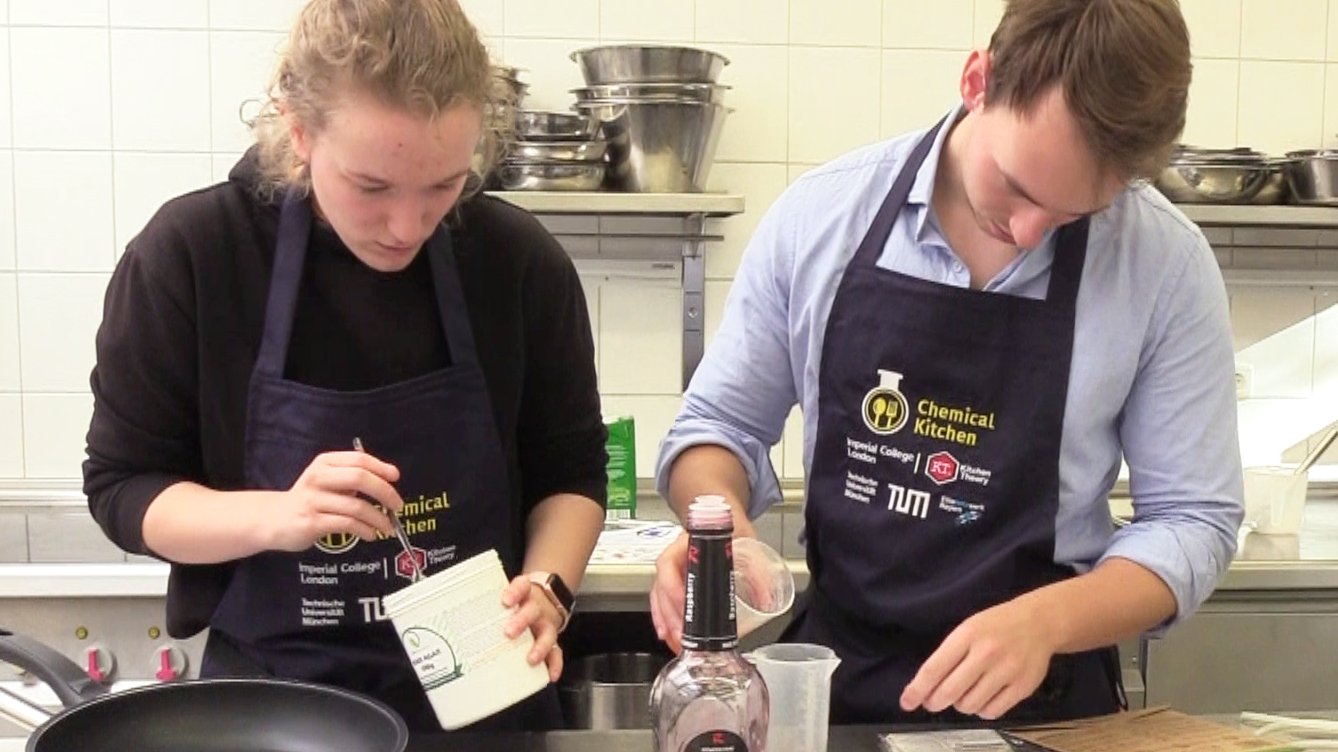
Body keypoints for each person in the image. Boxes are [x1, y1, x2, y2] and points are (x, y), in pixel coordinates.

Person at [650, 0, 1244, 726]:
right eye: (1017, 189)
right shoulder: (820, 217)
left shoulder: (1165, 265)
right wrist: (722, 526)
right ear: (977, 80)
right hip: (844, 696)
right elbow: (718, 425)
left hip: (1048, 713)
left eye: (1070, 215)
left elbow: (1193, 520)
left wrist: (1048, 621)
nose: (1028, 233)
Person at [83, 0, 607, 733]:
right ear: (299, 131)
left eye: (443, 185)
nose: (408, 227)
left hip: (485, 708)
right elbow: (123, 490)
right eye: (372, 187)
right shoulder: (193, 257)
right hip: (274, 718)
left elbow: (572, 474)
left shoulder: (517, 264)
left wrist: (548, 586)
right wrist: (281, 514)